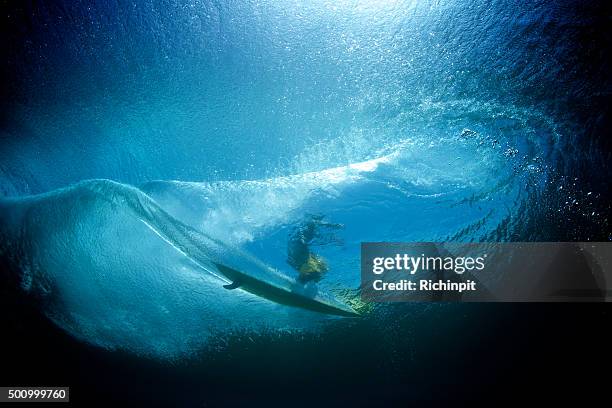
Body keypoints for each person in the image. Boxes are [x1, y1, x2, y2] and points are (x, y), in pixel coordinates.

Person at [287, 215, 342, 284]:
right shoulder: (310, 222)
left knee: (323, 268)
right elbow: (320, 223)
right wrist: (335, 225)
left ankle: (306, 281)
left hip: (299, 248)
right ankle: (301, 281)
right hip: (298, 247)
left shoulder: (310, 228)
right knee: (317, 272)